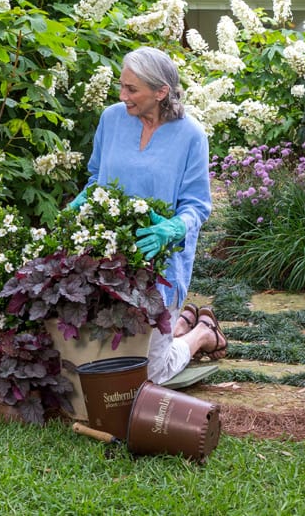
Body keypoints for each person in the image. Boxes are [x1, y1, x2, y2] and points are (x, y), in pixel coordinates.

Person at [69, 46, 224, 383]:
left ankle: (201, 333)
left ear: (161, 92)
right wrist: (81, 201)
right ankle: (178, 324)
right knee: (108, 358)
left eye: (132, 89)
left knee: (153, 373)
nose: (123, 96)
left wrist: (172, 228)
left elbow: (197, 205)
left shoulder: (191, 136)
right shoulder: (112, 119)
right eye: (121, 86)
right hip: (107, 253)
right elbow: (97, 176)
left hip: (161, 260)